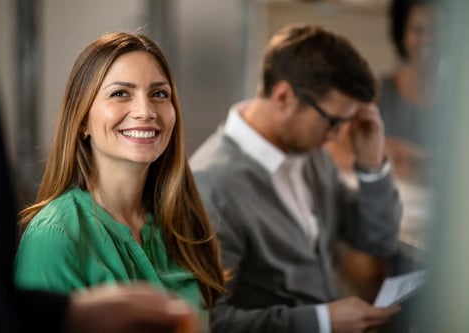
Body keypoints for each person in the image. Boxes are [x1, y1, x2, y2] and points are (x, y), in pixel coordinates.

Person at [0, 20, 202, 333]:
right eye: (121, 93)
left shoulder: (180, 222)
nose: (145, 111)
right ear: (82, 122)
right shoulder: (56, 235)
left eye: (159, 94)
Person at [190, 23, 402, 333]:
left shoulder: (310, 154)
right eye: (333, 121)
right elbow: (211, 323)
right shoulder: (212, 186)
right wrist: (323, 322)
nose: (339, 136)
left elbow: (378, 239)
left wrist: (371, 163)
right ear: (284, 96)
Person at [379, 0, 444, 182]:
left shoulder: (460, 98)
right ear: (402, 34)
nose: (427, 39)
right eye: (418, 30)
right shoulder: (378, 92)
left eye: (436, 30)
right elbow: (343, 150)